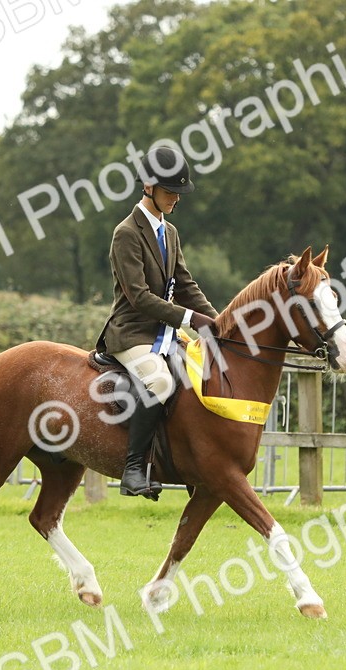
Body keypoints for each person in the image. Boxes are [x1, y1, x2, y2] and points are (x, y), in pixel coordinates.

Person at [96, 146, 219, 500]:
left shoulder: (171, 232)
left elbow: (185, 285)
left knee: (194, 378)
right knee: (162, 382)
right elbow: (139, 296)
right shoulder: (126, 233)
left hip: (164, 333)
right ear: (149, 185)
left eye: (179, 193)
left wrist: (214, 321)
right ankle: (133, 469)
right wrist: (189, 318)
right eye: (170, 192)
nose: (176, 199)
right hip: (131, 333)